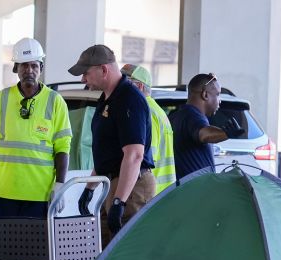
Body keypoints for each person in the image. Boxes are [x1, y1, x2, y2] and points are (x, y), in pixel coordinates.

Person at [0, 38, 71, 260]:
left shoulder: (55, 102)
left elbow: (63, 147)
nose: (30, 70)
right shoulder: (2, 100)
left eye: (34, 65)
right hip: (4, 194)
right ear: (16, 68)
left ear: (41, 67)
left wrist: (59, 185)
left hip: (38, 197)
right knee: (0, 256)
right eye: (24, 65)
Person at [70, 45, 156, 244]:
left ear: (104, 69)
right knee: (108, 251)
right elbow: (107, 153)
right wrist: (90, 188)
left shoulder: (129, 99)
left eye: (86, 73)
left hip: (132, 187)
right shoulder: (108, 99)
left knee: (125, 254)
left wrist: (120, 201)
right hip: (116, 184)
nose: (83, 79)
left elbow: (134, 155)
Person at [168, 73, 244, 179]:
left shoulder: (179, 115)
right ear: (205, 95)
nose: (220, 100)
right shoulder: (192, 115)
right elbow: (204, 134)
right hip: (195, 191)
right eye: (217, 94)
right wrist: (226, 133)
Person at [120, 64, 175, 194]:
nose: (119, 87)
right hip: (162, 192)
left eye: (125, 83)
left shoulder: (144, 111)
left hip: (149, 193)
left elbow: (143, 158)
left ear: (139, 86)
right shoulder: (155, 109)